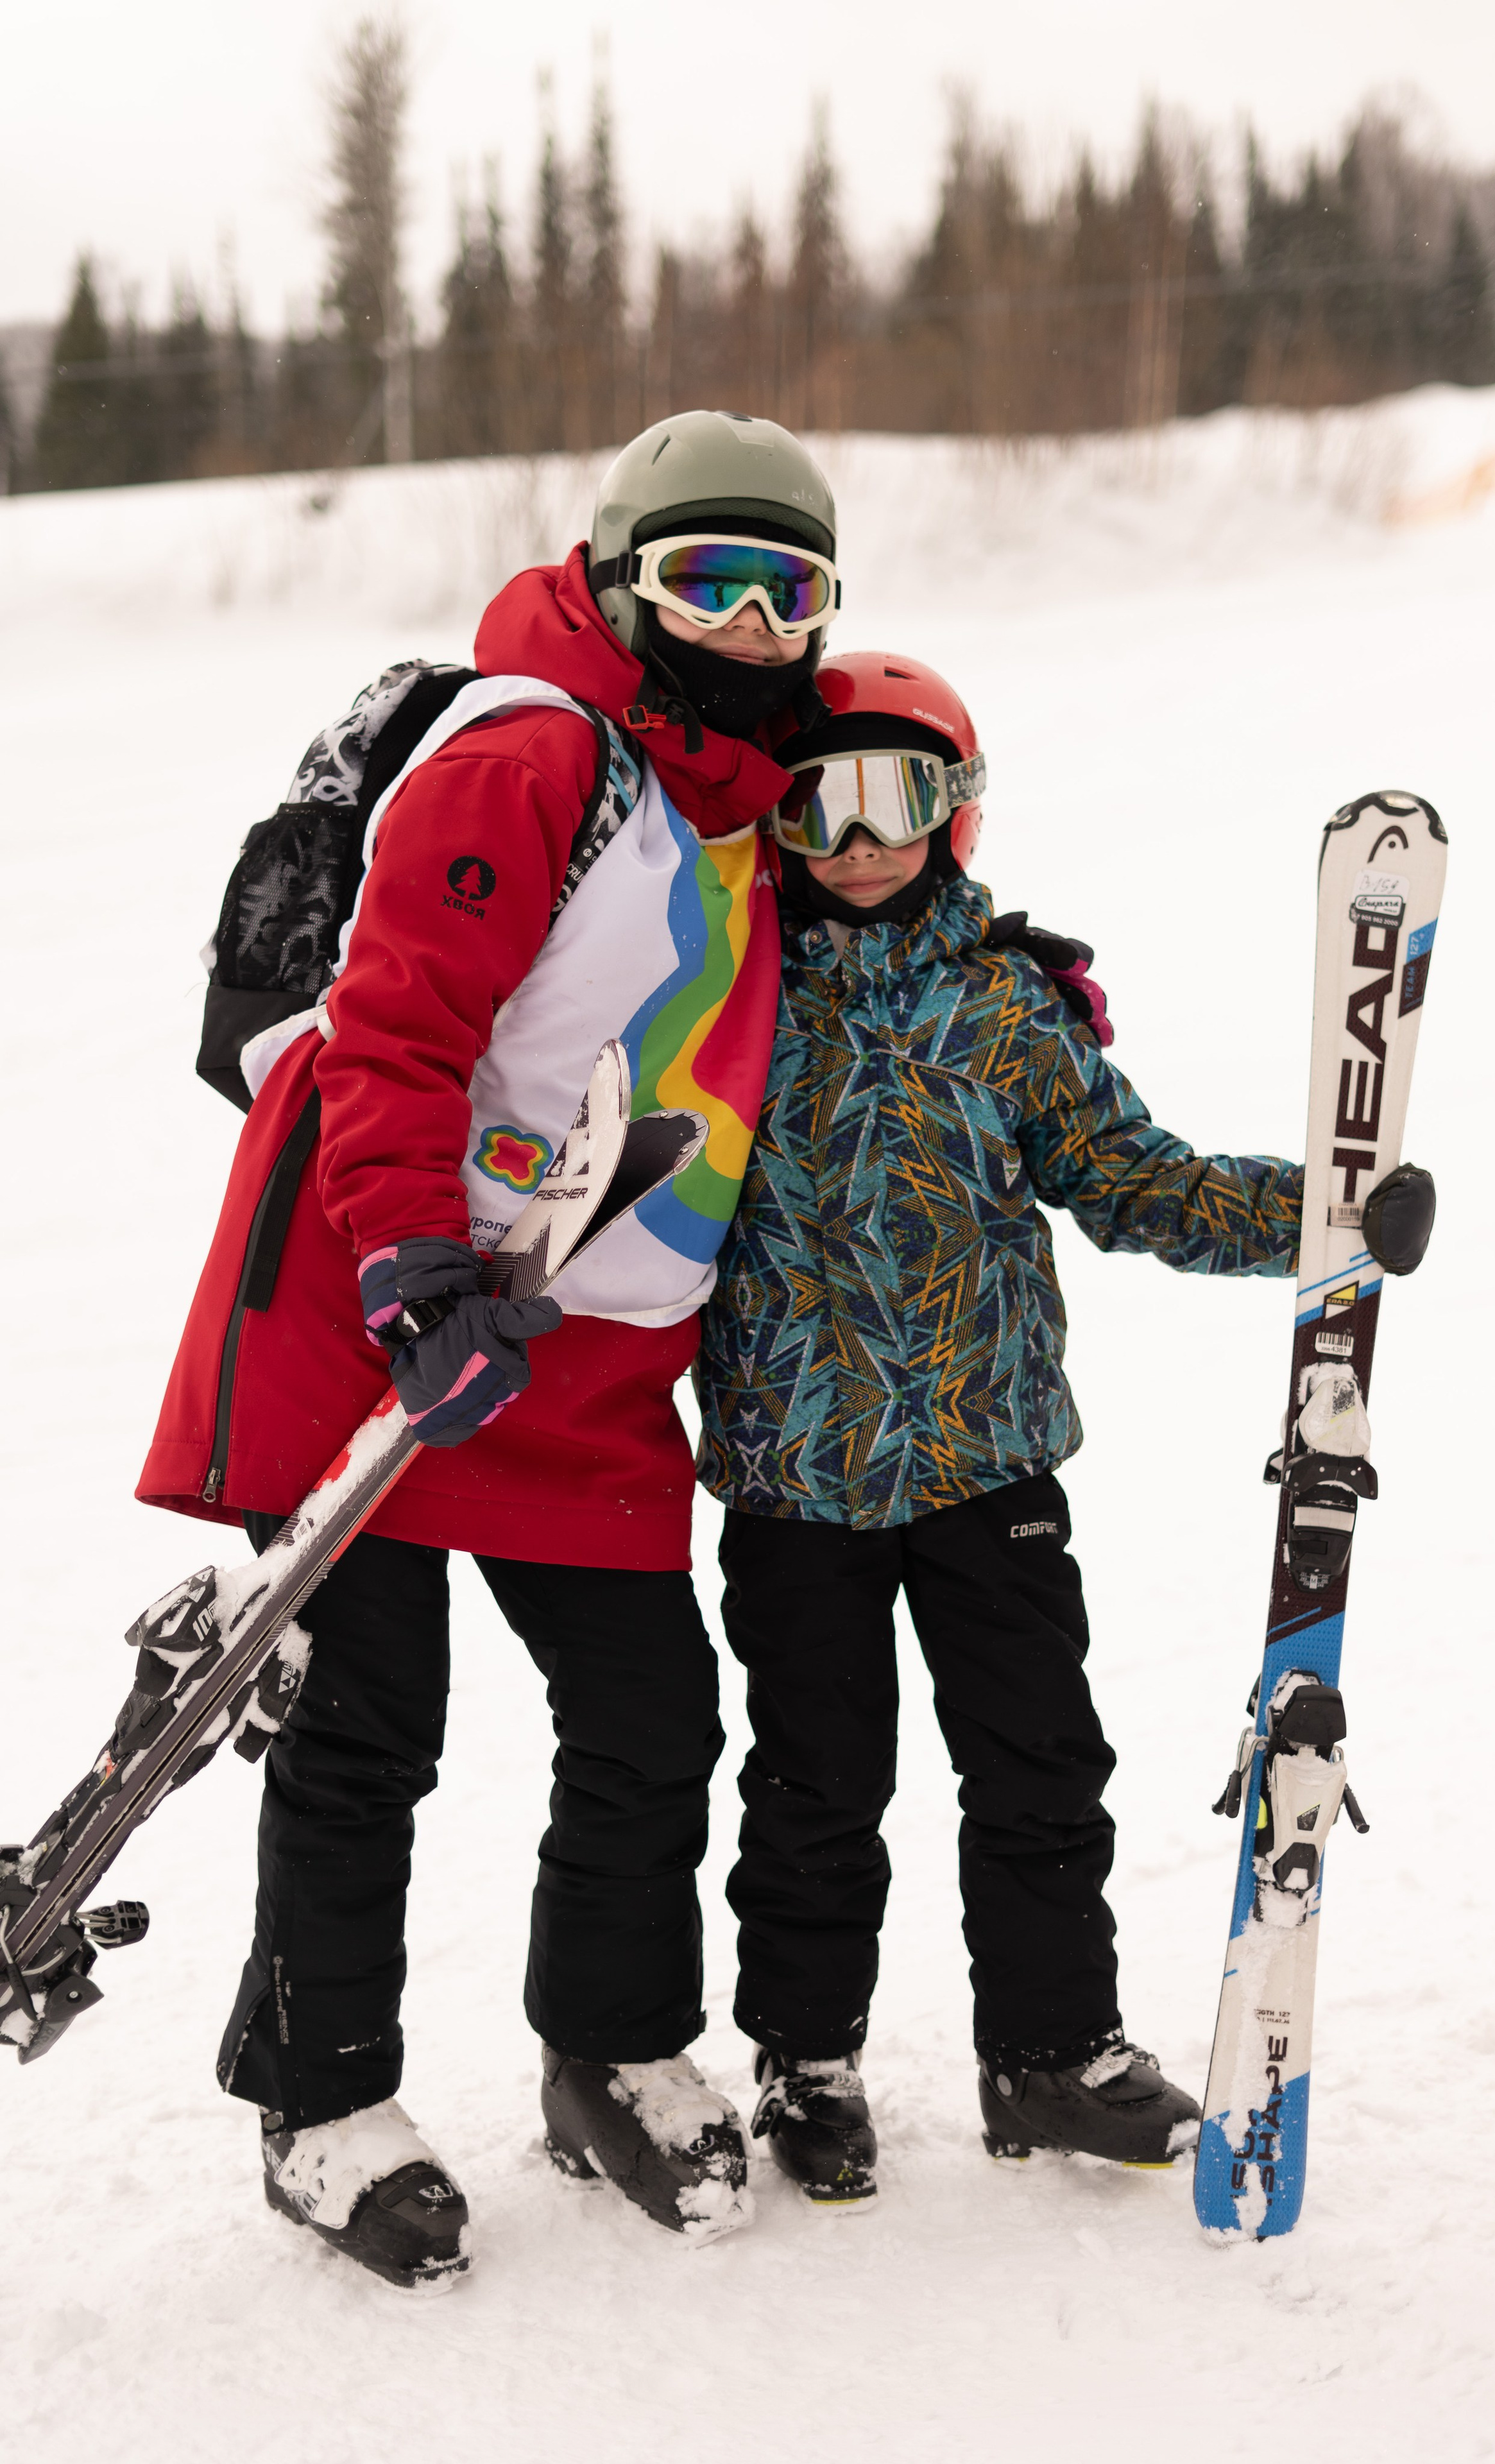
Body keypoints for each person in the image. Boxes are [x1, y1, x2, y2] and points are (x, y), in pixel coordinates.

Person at [138, 411, 845, 2285]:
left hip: (590, 1354)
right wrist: (411, 1276)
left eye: (794, 592)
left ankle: (608, 2047)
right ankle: (319, 2102)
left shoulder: (749, 794)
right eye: (712, 584)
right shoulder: (535, 754)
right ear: (621, 588)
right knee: (371, 1732)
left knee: (645, 1716)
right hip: (412, 1315)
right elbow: (392, 1035)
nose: (758, 627)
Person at [694, 649, 1311, 2205]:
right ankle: (806, 2058)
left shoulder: (1004, 1006)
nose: (853, 840)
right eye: (812, 802)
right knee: (814, 1780)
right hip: (796, 1479)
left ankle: (1050, 2055)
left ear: (953, 810)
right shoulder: (720, 1001)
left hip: (988, 1467)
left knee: (1038, 1764)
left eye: (893, 797)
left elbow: (1131, 1178)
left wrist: (1313, 1217)